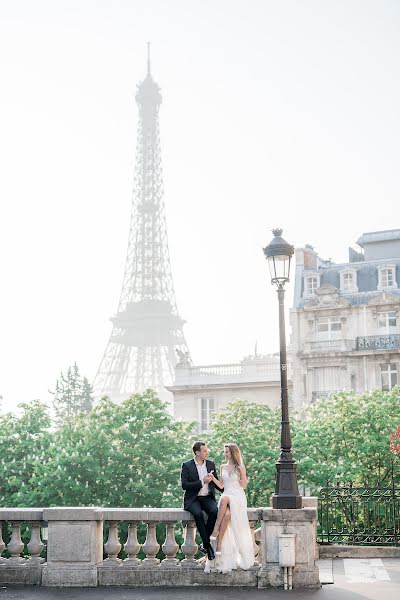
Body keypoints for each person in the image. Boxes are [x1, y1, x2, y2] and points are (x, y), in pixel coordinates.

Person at [204, 443, 255, 573]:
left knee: (225, 498)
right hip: (226, 496)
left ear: (233, 453)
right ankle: (219, 545)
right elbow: (221, 485)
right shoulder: (222, 467)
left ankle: (215, 531)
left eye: (227, 452)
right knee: (226, 515)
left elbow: (243, 486)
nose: (225, 454)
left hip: (237, 497)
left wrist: (243, 477)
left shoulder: (240, 467)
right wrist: (212, 478)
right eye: (225, 451)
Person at [180, 441, 223, 561]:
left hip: (207, 497)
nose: (207, 452)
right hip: (193, 499)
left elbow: (218, 484)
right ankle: (208, 546)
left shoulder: (210, 464)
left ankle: (205, 543)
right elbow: (184, 485)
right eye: (204, 451)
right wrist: (202, 482)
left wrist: (227, 490)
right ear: (197, 452)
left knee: (215, 511)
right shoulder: (187, 465)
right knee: (198, 514)